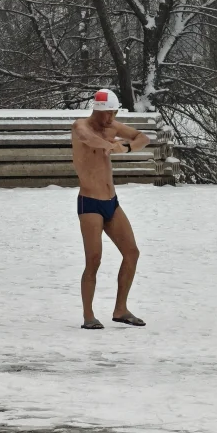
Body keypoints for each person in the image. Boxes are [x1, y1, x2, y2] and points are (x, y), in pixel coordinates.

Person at [71, 88, 152, 329]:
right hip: (90, 202)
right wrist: (110, 144)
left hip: (111, 202)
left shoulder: (113, 127)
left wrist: (125, 147)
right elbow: (89, 139)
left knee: (132, 252)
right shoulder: (81, 125)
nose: (109, 118)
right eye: (106, 113)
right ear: (96, 109)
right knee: (94, 259)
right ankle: (88, 315)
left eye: (112, 114)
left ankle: (120, 309)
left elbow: (142, 138)